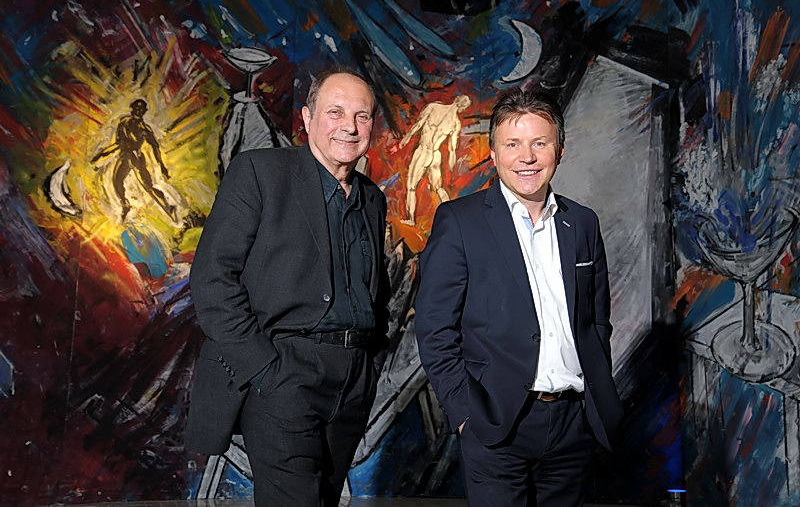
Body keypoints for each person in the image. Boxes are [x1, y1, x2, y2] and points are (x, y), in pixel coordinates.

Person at [185, 68, 390, 506]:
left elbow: (377, 290)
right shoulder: (260, 172)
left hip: (352, 379)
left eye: (362, 116)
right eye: (335, 113)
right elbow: (212, 279)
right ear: (307, 118)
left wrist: (370, 362)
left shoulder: (372, 197)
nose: (350, 127)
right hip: (284, 371)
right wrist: (264, 369)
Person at [415, 88, 622, 506]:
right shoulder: (460, 221)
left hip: (573, 424)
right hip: (495, 423)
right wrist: (465, 413)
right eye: (513, 144)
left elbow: (596, 321)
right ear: (493, 154)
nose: (527, 157)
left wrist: (591, 404)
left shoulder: (582, 222)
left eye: (539, 143)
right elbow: (435, 328)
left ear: (559, 151)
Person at [91, 99, 176, 222]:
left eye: (141, 110)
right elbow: (118, 143)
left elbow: (155, 147)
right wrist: (102, 155)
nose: (138, 111)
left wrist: (162, 165)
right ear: (132, 108)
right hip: (125, 157)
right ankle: (125, 205)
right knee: (117, 181)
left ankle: (168, 206)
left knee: (148, 186)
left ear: (144, 112)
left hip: (136, 158)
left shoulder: (145, 129)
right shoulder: (124, 123)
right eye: (136, 108)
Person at [400, 95, 471, 226]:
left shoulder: (433, 107)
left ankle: (411, 219)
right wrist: (451, 166)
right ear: (462, 108)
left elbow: (419, 124)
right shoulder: (455, 123)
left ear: (455, 100)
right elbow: (452, 149)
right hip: (435, 154)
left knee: (411, 187)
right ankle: (455, 218)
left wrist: (407, 138)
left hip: (423, 151)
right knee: (438, 188)